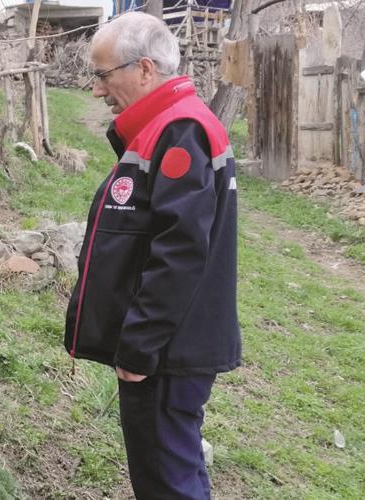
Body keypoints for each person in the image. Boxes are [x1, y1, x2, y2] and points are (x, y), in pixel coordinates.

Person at [63, 12, 241, 500]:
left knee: (166, 478)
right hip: (167, 346)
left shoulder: (179, 130)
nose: (98, 91)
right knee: (171, 468)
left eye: (103, 75)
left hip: (167, 352)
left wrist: (140, 346)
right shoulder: (167, 125)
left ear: (144, 69)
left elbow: (180, 252)